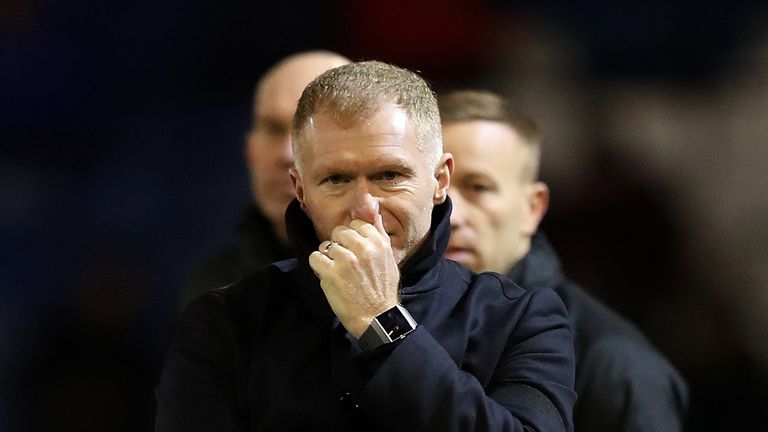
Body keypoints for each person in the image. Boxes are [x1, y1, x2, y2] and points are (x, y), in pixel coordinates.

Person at [156, 61, 576, 431]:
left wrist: (380, 321)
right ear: (300, 191)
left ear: (440, 181)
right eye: (336, 179)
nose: (365, 208)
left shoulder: (523, 319)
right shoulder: (223, 324)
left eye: (390, 175)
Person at [439, 89, 689, 432]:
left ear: (533, 208)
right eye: (436, 187)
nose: (450, 215)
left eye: (478, 187)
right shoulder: (393, 328)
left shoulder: (615, 368)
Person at [182, 51, 350, 304]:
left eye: (308, 129)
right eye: (272, 129)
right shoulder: (212, 292)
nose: (286, 154)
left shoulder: (421, 285)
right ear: (249, 149)